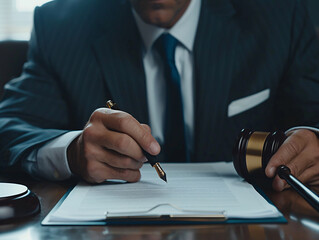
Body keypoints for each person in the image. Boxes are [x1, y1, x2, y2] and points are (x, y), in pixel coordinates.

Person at [0, 0, 319, 192]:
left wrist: (313, 140)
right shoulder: (60, 26)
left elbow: (312, 117)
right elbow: (9, 128)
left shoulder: (280, 16)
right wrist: (71, 152)